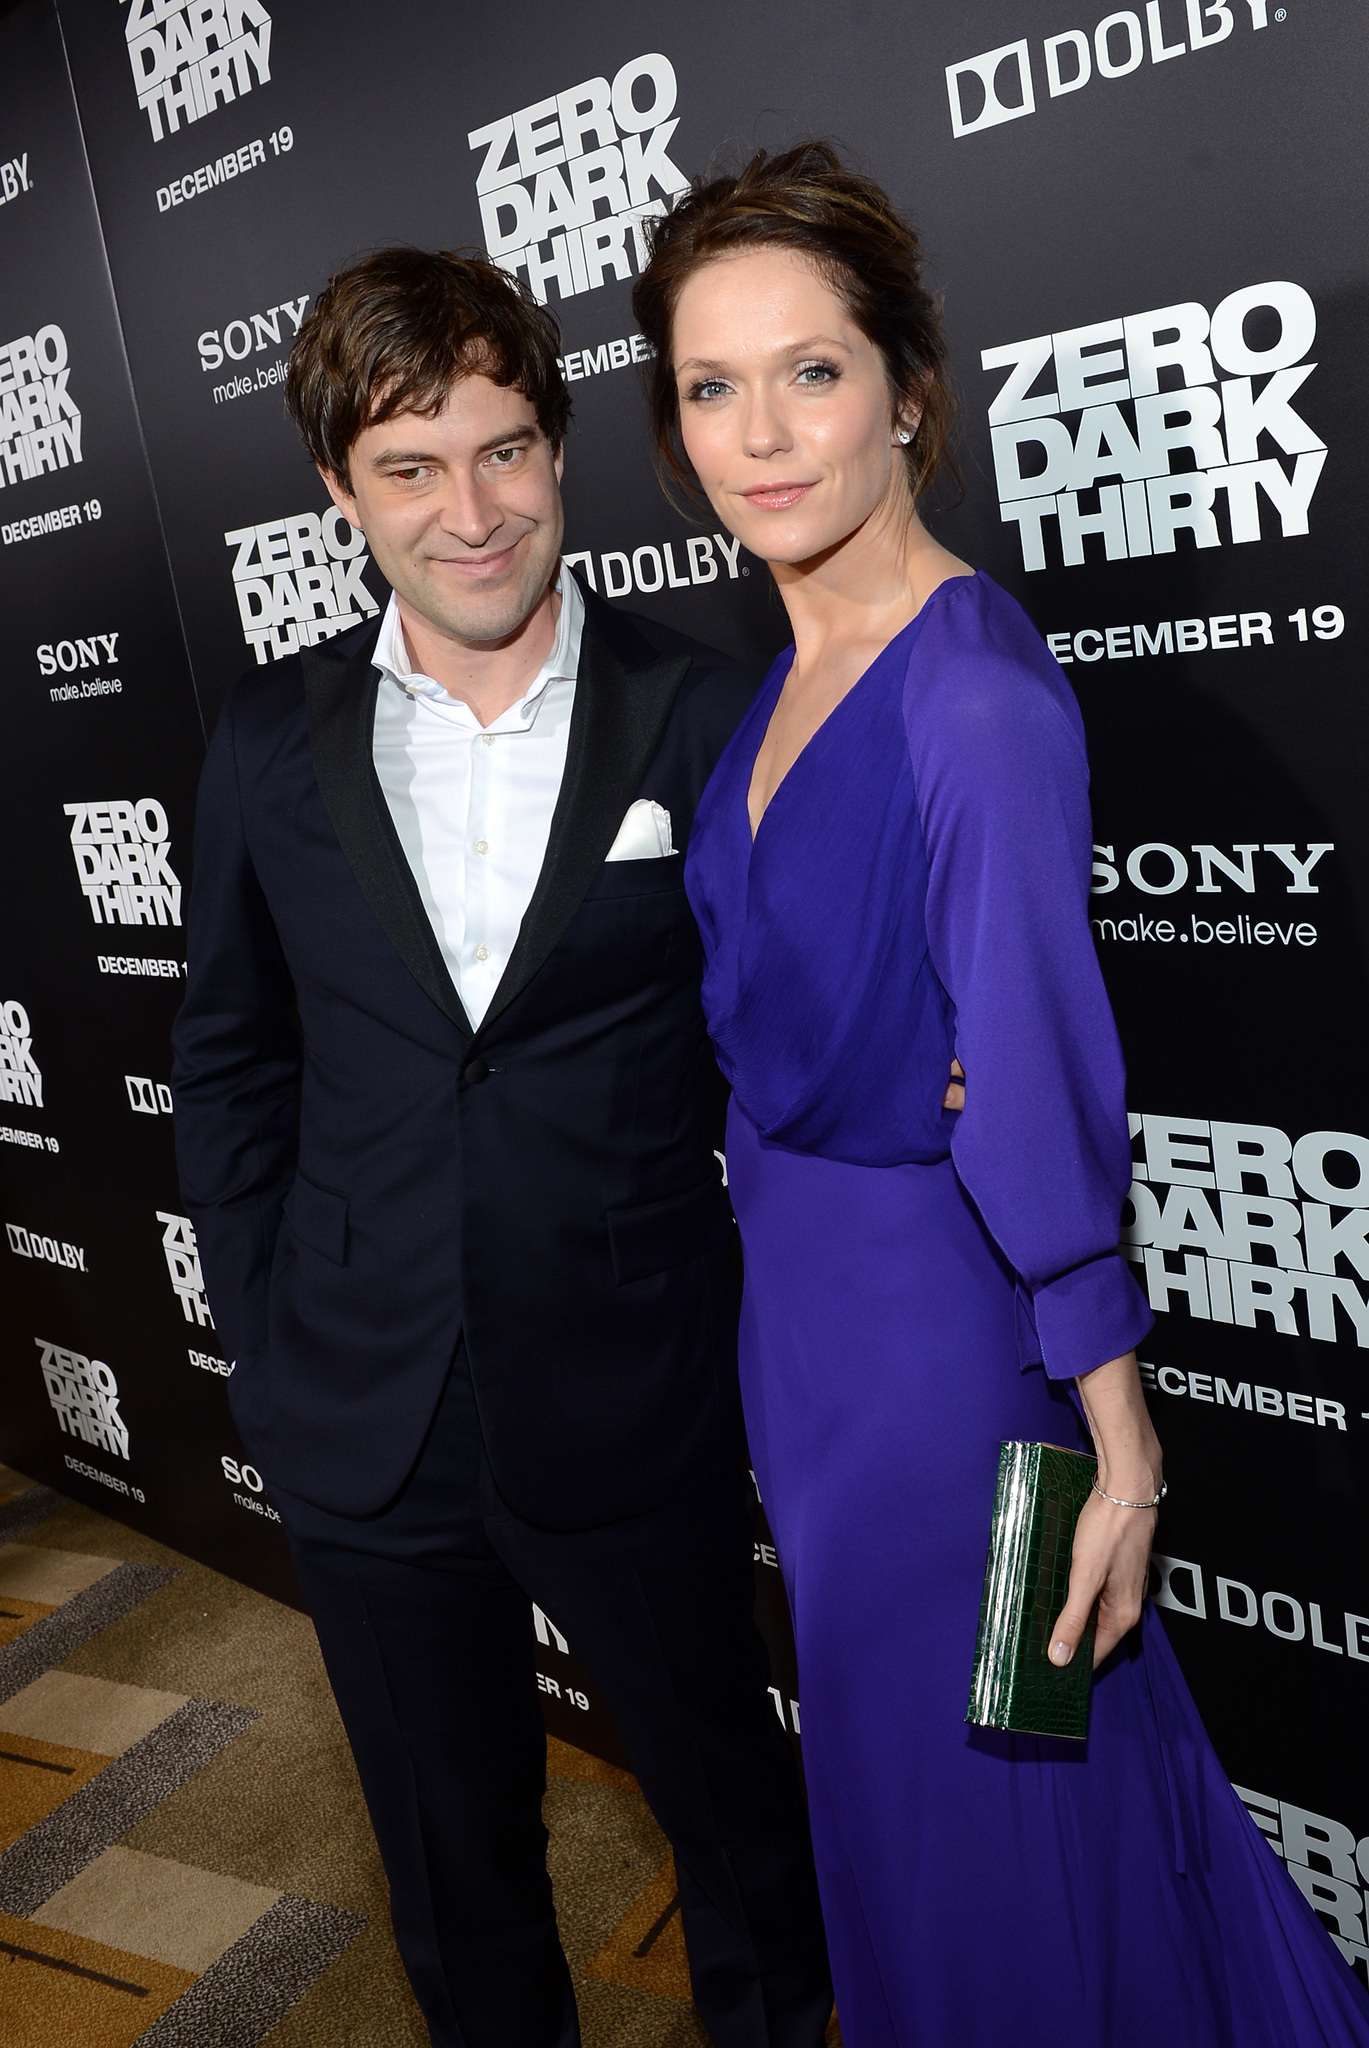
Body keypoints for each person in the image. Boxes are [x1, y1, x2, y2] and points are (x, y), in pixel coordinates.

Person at [631, 143, 1369, 2047]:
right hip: (811, 1336)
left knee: (1015, 1795)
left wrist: (1117, 1446)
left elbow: (1030, 1093)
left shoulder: (966, 698)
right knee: (908, 1793)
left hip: (966, 1368)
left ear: (906, 392)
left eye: (811, 371)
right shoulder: (790, 667)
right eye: (711, 385)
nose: (761, 432)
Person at [170, 246, 833, 2048]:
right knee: (453, 1871)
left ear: (559, 449)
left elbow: (795, 1044)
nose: (471, 513)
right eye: (408, 466)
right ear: (337, 493)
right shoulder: (264, 744)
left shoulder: (704, 712)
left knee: (741, 1843)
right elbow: (228, 1062)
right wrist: (272, 1332)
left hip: (630, 1389)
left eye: (507, 451)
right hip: (361, 1411)